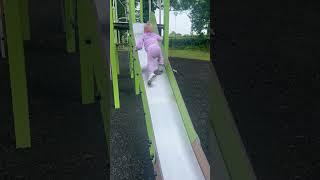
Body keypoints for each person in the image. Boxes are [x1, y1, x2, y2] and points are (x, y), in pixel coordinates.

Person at [136, 22, 165, 86]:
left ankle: (151, 74)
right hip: (157, 48)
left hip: (150, 49)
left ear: (144, 29)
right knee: (160, 57)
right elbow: (161, 39)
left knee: (150, 62)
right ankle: (161, 66)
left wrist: (137, 48)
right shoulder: (154, 34)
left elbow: (139, 45)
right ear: (152, 29)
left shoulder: (143, 35)